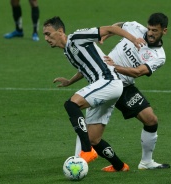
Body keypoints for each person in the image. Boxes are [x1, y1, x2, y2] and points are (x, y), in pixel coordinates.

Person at [42, 16, 146, 172]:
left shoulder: (76, 37)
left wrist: (134, 39)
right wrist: (70, 81)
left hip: (108, 81)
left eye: (48, 34)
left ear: (60, 31)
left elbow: (113, 29)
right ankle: (119, 166)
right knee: (94, 139)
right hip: (106, 86)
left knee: (71, 104)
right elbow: (85, 67)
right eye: (44, 35)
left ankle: (86, 150)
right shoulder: (68, 51)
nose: (46, 38)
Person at [102, 13, 171, 170]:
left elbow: (137, 72)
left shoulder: (159, 56)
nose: (150, 33)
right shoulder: (135, 28)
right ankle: (82, 154)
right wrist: (108, 33)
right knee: (92, 124)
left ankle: (146, 162)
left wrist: (114, 66)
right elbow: (119, 25)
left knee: (151, 120)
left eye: (155, 30)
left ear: (164, 31)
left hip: (124, 86)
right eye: (149, 29)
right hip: (105, 79)